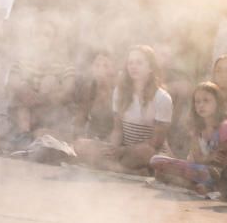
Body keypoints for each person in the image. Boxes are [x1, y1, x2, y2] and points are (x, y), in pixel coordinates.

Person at [74, 45, 172, 174]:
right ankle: (126, 170)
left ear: (151, 68)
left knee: (146, 152)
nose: (133, 66)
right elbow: (117, 130)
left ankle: (113, 167)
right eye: (130, 63)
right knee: (80, 145)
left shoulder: (162, 98)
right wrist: (112, 149)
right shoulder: (120, 92)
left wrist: (123, 151)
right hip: (123, 151)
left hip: (145, 153)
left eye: (139, 63)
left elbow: (155, 143)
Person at [150, 82, 227, 197]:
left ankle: (210, 187)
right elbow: (198, 158)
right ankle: (197, 186)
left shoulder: (226, 126)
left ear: (218, 104)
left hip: (222, 175)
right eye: (197, 101)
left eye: (206, 101)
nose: (201, 105)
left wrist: (203, 161)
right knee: (157, 161)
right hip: (200, 170)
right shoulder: (197, 129)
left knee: (204, 173)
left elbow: (221, 161)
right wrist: (205, 159)